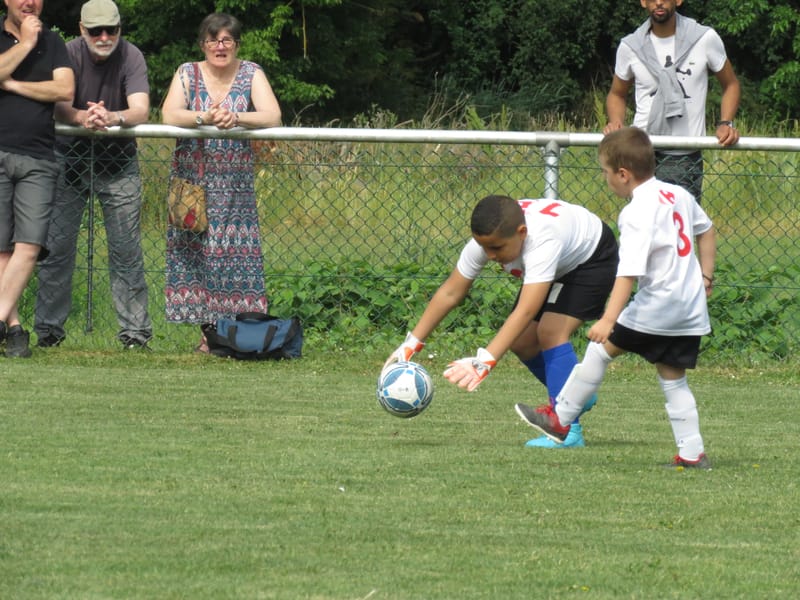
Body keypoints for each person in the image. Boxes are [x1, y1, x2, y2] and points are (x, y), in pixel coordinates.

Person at [515, 127, 716, 470]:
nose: (605, 178)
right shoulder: (677, 194)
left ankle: (561, 419)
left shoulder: (636, 211)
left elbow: (629, 271)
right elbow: (706, 229)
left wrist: (608, 319)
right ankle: (692, 453)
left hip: (658, 305)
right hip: (690, 307)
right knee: (673, 376)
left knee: (598, 351)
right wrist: (706, 276)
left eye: (605, 172)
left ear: (623, 174)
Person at [384, 194, 619, 448]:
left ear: (522, 233)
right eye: (484, 247)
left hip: (591, 258)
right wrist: (411, 344)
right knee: (521, 341)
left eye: (496, 248)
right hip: (562, 261)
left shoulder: (542, 240)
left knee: (551, 332)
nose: (489, 255)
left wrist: (484, 361)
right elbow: (451, 291)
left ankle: (567, 431)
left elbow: (526, 310)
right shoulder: (490, 239)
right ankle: (575, 394)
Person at [34, 0, 153, 350]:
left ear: (119, 29)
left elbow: (141, 108)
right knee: (56, 250)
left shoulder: (132, 55)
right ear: (82, 30)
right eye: (96, 30)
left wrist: (113, 117)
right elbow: (56, 103)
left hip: (119, 165)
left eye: (110, 30)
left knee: (126, 250)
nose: (104, 37)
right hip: (67, 161)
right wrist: (80, 118)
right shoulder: (65, 52)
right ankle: (48, 333)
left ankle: (135, 336)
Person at [161, 12, 281, 352]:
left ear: (237, 44)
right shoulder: (187, 72)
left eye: (227, 39)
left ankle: (233, 333)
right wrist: (205, 117)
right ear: (203, 44)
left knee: (233, 257)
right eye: (213, 40)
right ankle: (208, 333)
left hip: (235, 187)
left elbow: (272, 115)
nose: (220, 46)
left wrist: (236, 117)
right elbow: (169, 114)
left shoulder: (251, 72)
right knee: (195, 256)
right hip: (192, 186)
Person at [604, 0, 740, 202]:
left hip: (683, 154)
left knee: (679, 219)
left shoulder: (703, 38)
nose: (659, 2)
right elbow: (617, 93)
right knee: (642, 219)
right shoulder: (630, 46)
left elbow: (731, 84)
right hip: (640, 152)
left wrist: (725, 123)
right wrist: (616, 122)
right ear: (643, 2)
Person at [0, 0, 74, 358]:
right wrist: (26, 44)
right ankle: (13, 329)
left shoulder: (55, 41)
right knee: (1, 250)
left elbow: (64, 91)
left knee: (29, 245)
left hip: (39, 157)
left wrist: (11, 84)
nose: (29, 2)